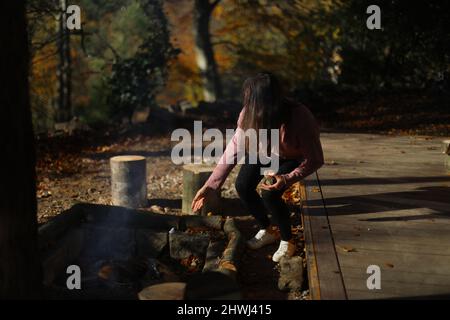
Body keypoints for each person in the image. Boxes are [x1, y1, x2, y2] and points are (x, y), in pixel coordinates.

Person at [191, 73, 324, 262]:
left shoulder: (300, 117)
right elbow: (234, 148)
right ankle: (267, 229)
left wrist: (288, 178)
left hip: (290, 157)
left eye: (249, 95)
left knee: (270, 193)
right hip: (263, 151)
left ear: (265, 99)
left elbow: (316, 159)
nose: (245, 99)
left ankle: (288, 240)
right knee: (243, 185)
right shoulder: (249, 113)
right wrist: (211, 185)